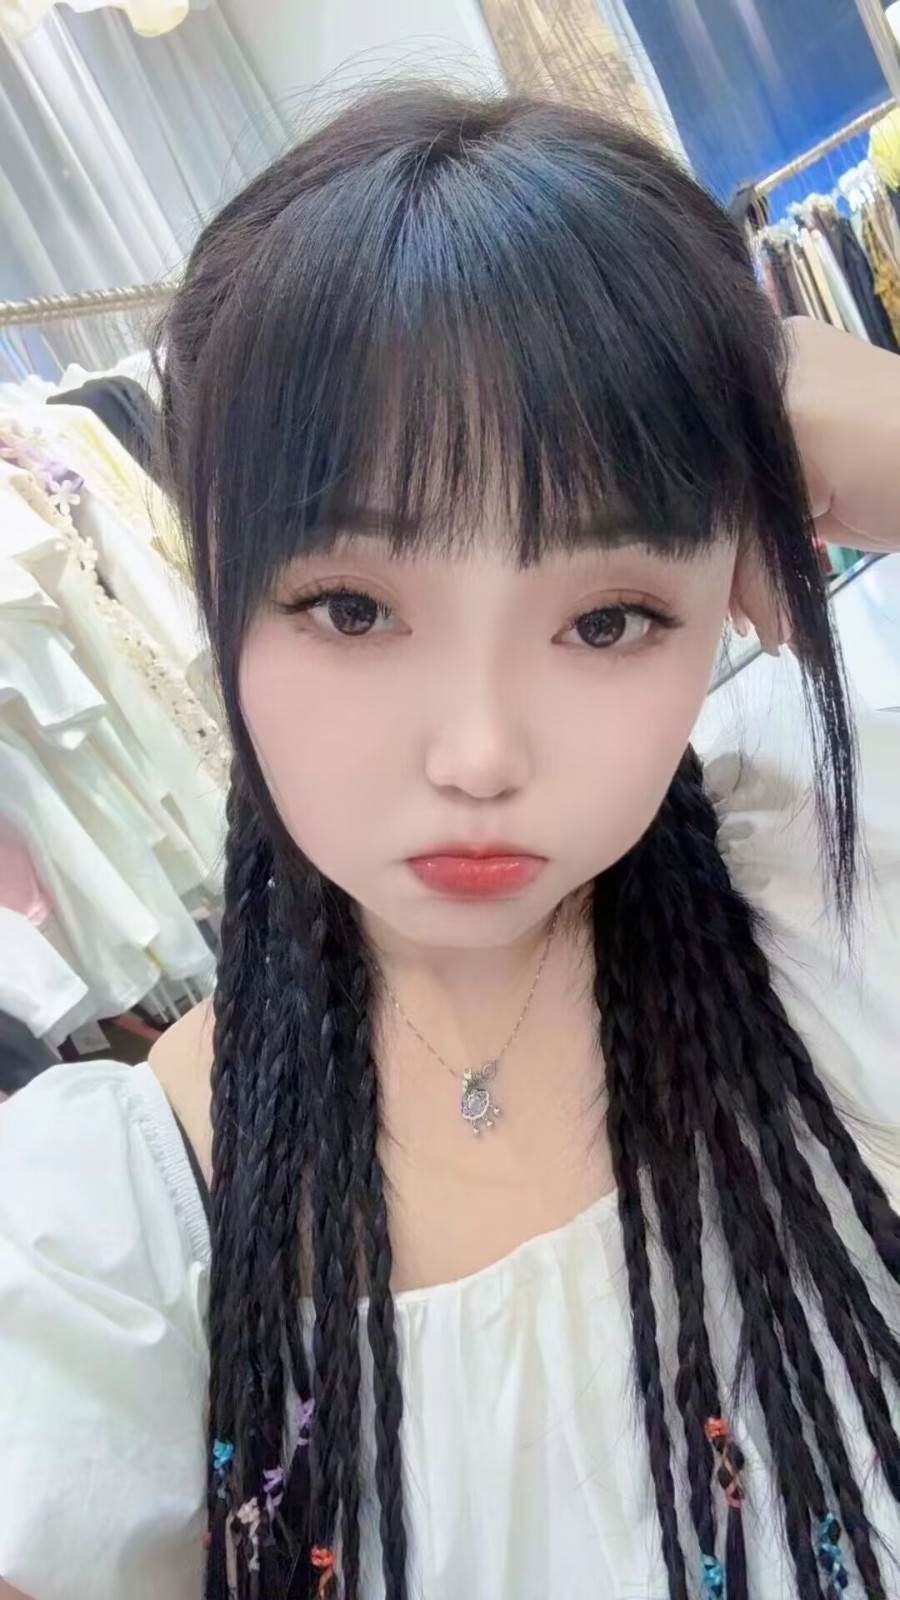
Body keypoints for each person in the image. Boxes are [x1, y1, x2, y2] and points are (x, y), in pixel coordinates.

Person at [1, 87, 899, 1600]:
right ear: (215, 584)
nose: (479, 753)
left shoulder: (834, 891)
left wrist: (837, 408)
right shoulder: (104, 1246)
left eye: (608, 619)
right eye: (352, 609)